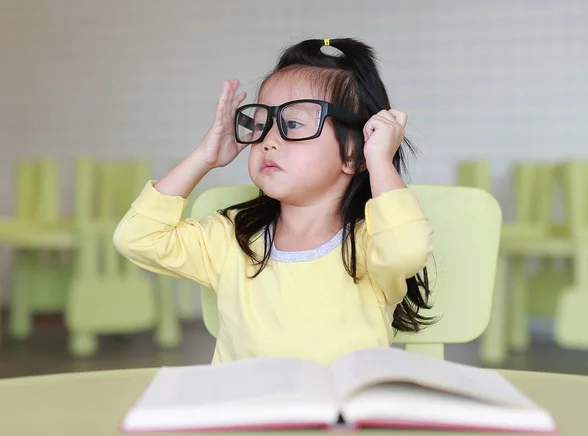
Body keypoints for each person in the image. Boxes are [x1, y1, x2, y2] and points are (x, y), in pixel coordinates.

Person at [113, 37, 434, 365]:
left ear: (351, 152)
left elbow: (406, 249)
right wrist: (204, 157)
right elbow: (136, 238)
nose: (268, 140)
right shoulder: (232, 238)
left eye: (292, 124)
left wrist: (379, 160)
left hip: (341, 413)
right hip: (251, 411)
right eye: (262, 124)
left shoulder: (369, 243)